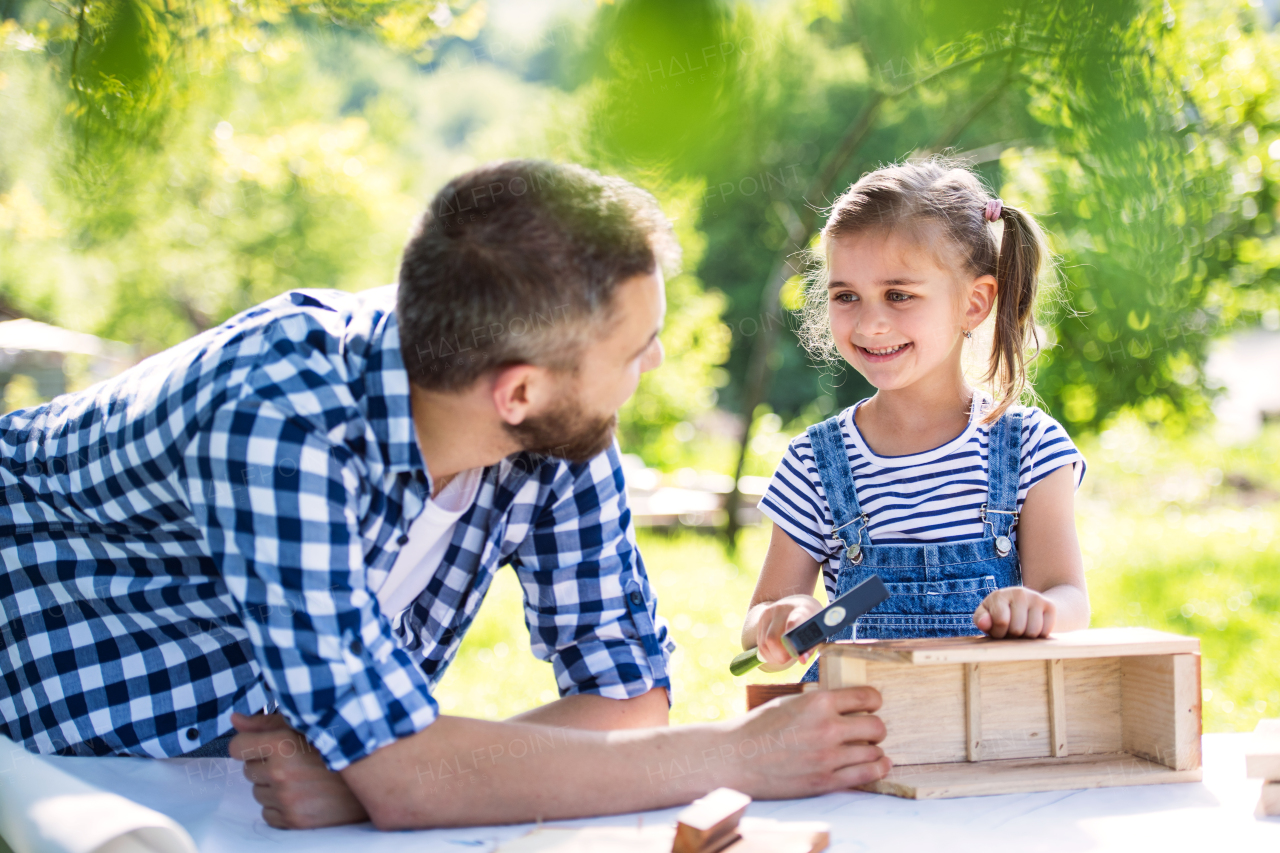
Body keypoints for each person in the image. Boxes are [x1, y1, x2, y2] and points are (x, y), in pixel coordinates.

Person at [0, 160, 890, 830]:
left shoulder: (561, 424)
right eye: (636, 349)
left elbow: (625, 701)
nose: (652, 366)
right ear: (517, 392)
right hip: (67, 768)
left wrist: (376, 775)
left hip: (221, 797)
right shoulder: (273, 415)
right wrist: (737, 756)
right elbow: (406, 778)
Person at [743, 158, 1090, 679]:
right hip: (859, 740)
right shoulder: (814, 462)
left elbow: (1069, 597)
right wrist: (781, 620)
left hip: (994, 732)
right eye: (846, 296)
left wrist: (1040, 611)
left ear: (974, 303)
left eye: (898, 294)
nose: (870, 321)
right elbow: (759, 621)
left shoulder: (1030, 447)